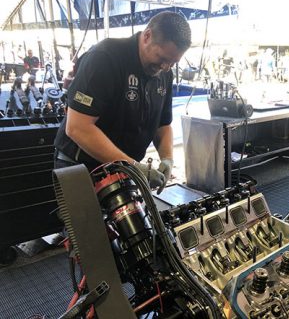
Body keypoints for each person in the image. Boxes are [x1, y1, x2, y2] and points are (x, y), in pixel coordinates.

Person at [54, 11, 192, 194]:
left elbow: (163, 124)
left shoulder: (164, 73)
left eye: (173, 62)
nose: (165, 67)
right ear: (147, 36)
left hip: (122, 168)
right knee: (88, 223)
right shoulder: (105, 58)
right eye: (162, 58)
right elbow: (77, 127)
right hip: (80, 167)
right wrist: (132, 166)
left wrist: (167, 159)